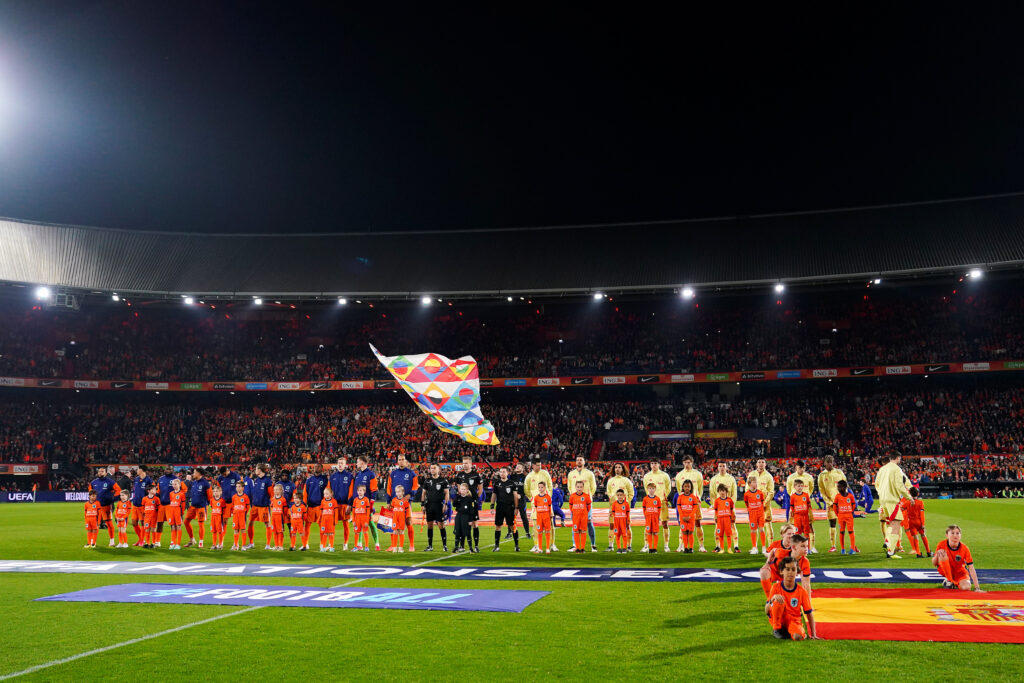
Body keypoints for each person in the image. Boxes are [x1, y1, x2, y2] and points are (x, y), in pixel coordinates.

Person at [765, 556, 819, 640]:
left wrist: (813, 634)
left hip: (794, 620)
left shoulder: (802, 591)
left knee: (798, 637)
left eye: (793, 569)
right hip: (779, 619)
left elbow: (809, 613)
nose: (790, 572)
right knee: (777, 601)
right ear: (781, 571)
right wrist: (772, 599)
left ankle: (791, 631)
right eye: (787, 569)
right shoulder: (775, 587)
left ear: (797, 572)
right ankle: (777, 629)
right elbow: (766, 610)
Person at [876, 451, 911, 559]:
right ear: (897, 458)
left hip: (883, 500)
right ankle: (891, 551)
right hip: (892, 500)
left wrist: (882, 495)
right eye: (899, 459)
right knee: (896, 523)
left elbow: (877, 484)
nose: (900, 461)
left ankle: (887, 541)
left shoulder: (882, 469)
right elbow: (900, 486)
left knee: (889, 522)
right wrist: (909, 497)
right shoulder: (896, 469)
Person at [760, 524, 812, 597]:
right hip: (777, 569)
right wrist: (768, 563)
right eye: (789, 534)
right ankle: (770, 599)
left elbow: (806, 583)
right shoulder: (778, 547)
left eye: (793, 533)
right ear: (782, 534)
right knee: (764, 572)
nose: (791, 535)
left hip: (787, 570)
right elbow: (770, 551)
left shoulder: (799, 551)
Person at [933, 525, 983, 591]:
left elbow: (971, 567)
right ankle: (949, 580)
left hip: (960, 572)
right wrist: (937, 555)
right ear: (947, 535)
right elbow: (934, 563)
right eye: (952, 533)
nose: (955, 535)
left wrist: (977, 588)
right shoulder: (941, 544)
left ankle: (954, 583)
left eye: (957, 533)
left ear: (960, 535)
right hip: (945, 570)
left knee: (966, 588)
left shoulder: (964, 548)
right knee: (942, 554)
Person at [387, 455, 418, 551]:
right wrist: (388, 501)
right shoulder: (393, 474)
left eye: (403, 460)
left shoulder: (411, 473)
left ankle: (411, 545)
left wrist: (411, 495)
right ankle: (393, 545)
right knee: (394, 524)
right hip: (394, 503)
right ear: (397, 461)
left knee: (408, 522)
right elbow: (389, 487)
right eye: (399, 460)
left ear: (406, 461)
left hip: (406, 502)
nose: (401, 461)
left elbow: (415, 486)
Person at [567, 456, 598, 552]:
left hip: (586, 503)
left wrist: (587, 498)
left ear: (584, 462)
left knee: (589, 523)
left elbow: (593, 487)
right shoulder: (571, 474)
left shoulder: (589, 473)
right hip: (575, 503)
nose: (579, 461)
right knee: (575, 523)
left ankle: (593, 544)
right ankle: (575, 545)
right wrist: (575, 497)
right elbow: (569, 487)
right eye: (577, 460)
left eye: (581, 460)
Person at [817, 455, 847, 553]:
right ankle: (833, 545)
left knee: (846, 524)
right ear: (824, 463)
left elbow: (845, 486)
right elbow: (822, 491)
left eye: (831, 462)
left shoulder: (839, 472)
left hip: (842, 503)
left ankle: (848, 545)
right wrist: (829, 502)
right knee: (832, 523)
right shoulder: (821, 475)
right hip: (830, 504)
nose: (830, 464)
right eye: (828, 462)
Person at [785, 461, 817, 552]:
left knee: (810, 526)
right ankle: (794, 546)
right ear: (796, 468)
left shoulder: (809, 477)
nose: (802, 469)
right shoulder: (791, 477)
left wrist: (804, 497)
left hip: (806, 505)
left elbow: (811, 488)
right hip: (795, 506)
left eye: (803, 468)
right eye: (800, 468)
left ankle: (811, 547)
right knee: (792, 527)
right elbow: (788, 490)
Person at [708, 462, 740, 552]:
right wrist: (716, 506)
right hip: (719, 508)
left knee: (733, 525)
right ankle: (718, 546)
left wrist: (731, 505)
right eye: (720, 466)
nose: (722, 468)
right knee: (717, 527)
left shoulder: (731, 479)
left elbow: (734, 493)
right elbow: (712, 494)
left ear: (726, 467)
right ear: (717, 468)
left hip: (729, 507)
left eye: (723, 466)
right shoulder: (714, 479)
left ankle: (736, 546)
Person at [524, 461, 555, 551]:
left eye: (540, 465)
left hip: (546, 502)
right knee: (535, 524)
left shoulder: (545, 473)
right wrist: (532, 498)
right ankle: (536, 545)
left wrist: (548, 497)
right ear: (533, 465)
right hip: (536, 503)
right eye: (537, 465)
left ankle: (552, 544)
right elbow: (526, 489)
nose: (539, 467)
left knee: (551, 523)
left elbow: (550, 485)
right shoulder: (529, 476)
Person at [642, 460, 672, 552]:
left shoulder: (665, 475)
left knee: (665, 523)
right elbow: (645, 488)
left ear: (659, 464)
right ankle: (646, 545)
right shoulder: (647, 476)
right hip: (650, 502)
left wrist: (663, 497)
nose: (654, 465)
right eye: (652, 463)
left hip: (662, 502)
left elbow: (668, 488)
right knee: (648, 524)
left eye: (655, 463)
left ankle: (666, 545)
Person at [421, 463, 450, 552]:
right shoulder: (427, 481)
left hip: (439, 505)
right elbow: (423, 493)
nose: (432, 470)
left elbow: (447, 493)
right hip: (429, 505)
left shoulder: (443, 481)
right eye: (431, 468)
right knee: (429, 525)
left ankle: (445, 545)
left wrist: (445, 504)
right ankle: (430, 546)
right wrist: (422, 505)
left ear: (438, 470)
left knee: (441, 525)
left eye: (434, 468)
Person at [354, 457, 381, 550]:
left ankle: (377, 543)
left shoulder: (371, 474)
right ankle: (360, 544)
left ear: (362, 463)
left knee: (370, 523)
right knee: (359, 524)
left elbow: (374, 490)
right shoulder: (357, 475)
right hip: (358, 505)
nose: (356, 463)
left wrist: (371, 505)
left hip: (367, 505)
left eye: (357, 462)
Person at [490, 467, 520, 552]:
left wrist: (516, 507)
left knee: (512, 526)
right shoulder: (496, 483)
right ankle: (497, 546)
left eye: (504, 472)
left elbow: (515, 496)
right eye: (501, 472)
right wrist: (492, 506)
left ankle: (516, 546)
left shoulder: (512, 483)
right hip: (500, 507)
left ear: (507, 473)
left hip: (510, 507)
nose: (502, 473)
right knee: (498, 526)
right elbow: (493, 495)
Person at [746, 458, 776, 545]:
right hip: (753, 505)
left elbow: (771, 492)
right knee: (754, 526)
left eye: (763, 462)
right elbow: (747, 490)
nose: (761, 464)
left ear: (765, 464)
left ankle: (771, 546)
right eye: (759, 462)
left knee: (768, 525)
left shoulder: (769, 476)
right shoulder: (751, 474)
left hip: (765, 506)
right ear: (756, 464)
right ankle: (754, 546)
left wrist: (764, 503)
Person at [89, 467, 121, 547]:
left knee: (109, 524)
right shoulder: (93, 482)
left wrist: (113, 499)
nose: (100, 473)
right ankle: (93, 541)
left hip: (106, 506)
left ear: (106, 473)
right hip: (96, 507)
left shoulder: (110, 481)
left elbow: (118, 490)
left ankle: (112, 541)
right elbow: (90, 492)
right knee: (95, 524)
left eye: (102, 471)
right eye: (99, 471)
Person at [606, 462, 635, 550]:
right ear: (614, 469)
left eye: (619, 467)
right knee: (612, 525)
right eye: (616, 467)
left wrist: (626, 503)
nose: (617, 469)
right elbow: (609, 493)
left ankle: (629, 546)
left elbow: (631, 493)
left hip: (624, 508)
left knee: (627, 526)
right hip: (613, 507)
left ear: (622, 469)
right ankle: (611, 546)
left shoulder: (626, 480)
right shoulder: (610, 481)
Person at [327, 458, 354, 550]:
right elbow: (328, 491)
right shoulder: (332, 476)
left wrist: (349, 504)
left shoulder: (349, 476)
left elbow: (351, 491)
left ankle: (345, 544)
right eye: (339, 463)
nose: (340, 465)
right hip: (334, 505)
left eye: (342, 463)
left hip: (345, 505)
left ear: (345, 464)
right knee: (331, 525)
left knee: (346, 525)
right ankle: (331, 544)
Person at [183, 468, 211, 548]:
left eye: (194, 472)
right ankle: (192, 540)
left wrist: (206, 505)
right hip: (193, 506)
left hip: (201, 507)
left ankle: (201, 542)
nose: (193, 474)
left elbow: (210, 496)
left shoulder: (206, 484)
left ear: (199, 474)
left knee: (201, 524)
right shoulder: (194, 483)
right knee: (186, 522)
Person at [302, 464, 328, 551]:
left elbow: (327, 493)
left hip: (320, 507)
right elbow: (305, 494)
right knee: (307, 526)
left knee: (322, 526)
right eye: (315, 467)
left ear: (322, 469)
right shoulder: (309, 480)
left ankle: (322, 545)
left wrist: (325, 505)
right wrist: (303, 505)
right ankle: (305, 544)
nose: (316, 468)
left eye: (318, 466)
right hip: (310, 507)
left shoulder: (325, 479)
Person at [247, 464, 273, 550]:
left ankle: (268, 545)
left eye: (256, 469)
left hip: (264, 506)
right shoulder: (257, 480)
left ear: (260, 470)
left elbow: (271, 495)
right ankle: (251, 543)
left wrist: (271, 504)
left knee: (267, 524)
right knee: (250, 523)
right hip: (255, 506)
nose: (255, 470)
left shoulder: (268, 481)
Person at [900, 487, 931, 558]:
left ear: (910, 494)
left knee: (915, 537)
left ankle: (918, 553)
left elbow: (901, 508)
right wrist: (923, 524)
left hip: (911, 522)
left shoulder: (907, 502)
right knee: (923, 535)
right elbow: (922, 514)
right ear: (918, 494)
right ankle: (928, 552)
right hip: (919, 521)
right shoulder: (920, 503)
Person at [743, 477, 767, 554]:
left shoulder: (760, 493)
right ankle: (754, 548)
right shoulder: (746, 494)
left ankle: (763, 547)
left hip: (760, 513)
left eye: (756, 482)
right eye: (753, 482)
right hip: (752, 514)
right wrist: (751, 510)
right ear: (749, 484)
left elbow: (762, 502)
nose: (755, 484)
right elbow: (746, 503)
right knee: (753, 530)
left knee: (761, 529)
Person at [675, 479, 701, 553]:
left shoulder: (693, 497)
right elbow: (679, 507)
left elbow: (695, 507)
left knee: (690, 532)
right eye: (685, 486)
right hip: (683, 518)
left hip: (691, 518)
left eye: (688, 487)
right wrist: (682, 516)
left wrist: (690, 516)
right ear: (683, 487)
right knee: (684, 532)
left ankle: (691, 548)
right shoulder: (680, 497)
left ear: (691, 488)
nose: (687, 488)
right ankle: (685, 548)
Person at [834, 479, 859, 554]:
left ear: (845, 487)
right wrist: (838, 514)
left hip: (849, 516)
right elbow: (834, 506)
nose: (838, 489)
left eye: (840, 487)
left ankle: (852, 549)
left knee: (851, 532)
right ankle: (842, 549)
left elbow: (854, 504)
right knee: (841, 532)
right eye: (838, 487)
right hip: (841, 516)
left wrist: (851, 511)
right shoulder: (837, 496)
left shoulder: (850, 496)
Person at [130, 467, 153, 547]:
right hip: (135, 504)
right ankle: (141, 539)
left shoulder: (148, 480)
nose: (136, 471)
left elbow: (153, 491)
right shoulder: (136, 479)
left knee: (143, 523)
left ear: (142, 470)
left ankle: (142, 540)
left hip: (143, 506)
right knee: (134, 523)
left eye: (138, 469)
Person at [569, 480, 593, 554]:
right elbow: (570, 505)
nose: (579, 488)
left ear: (583, 488)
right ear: (575, 487)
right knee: (576, 531)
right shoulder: (572, 496)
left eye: (581, 487)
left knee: (583, 531)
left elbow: (589, 506)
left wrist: (585, 512)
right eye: (578, 487)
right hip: (576, 516)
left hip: (583, 517)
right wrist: (574, 512)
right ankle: (577, 548)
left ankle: (582, 548)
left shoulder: (586, 496)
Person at [454, 482, 478, 553]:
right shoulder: (458, 497)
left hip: (466, 517)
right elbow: (454, 504)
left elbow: (471, 511)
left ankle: (470, 548)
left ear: (467, 490)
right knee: (457, 532)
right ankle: (456, 547)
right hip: (459, 516)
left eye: (464, 489)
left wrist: (470, 520)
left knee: (467, 532)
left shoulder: (469, 499)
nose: (462, 491)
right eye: (461, 489)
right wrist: (457, 496)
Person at [712, 483, 736, 553]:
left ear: (726, 491)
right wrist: (717, 517)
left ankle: (729, 548)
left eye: (723, 491)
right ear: (718, 492)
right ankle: (722, 548)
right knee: (721, 534)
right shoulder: (717, 501)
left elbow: (731, 509)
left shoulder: (729, 500)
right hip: (720, 519)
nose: (722, 492)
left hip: (727, 519)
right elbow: (716, 510)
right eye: (720, 491)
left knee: (728, 534)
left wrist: (731, 518)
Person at [531, 481, 554, 554]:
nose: (540, 489)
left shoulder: (548, 497)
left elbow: (550, 507)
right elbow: (536, 506)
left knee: (547, 531)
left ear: (545, 488)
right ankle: (540, 548)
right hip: (539, 516)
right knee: (539, 532)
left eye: (542, 487)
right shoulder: (536, 497)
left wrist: (550, 515)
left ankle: (547, 548)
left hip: (546, 516)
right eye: (539, 487)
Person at [510, 462, 531, 540]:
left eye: (519, 467)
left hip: (521, 499)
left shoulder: (525, 477)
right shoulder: (512, 476)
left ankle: (527, 532)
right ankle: (510, 533)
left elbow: (527, 489)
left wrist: (521, 495)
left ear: (522, 469)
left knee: (523, 516)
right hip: (512, 499)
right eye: (517, 466)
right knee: (511, 516)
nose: (517, 467)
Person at [351, 484, 373, 551]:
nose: (359, 492)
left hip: (364, 519)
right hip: (357, 519)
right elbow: (353, 511)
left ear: (364, 492)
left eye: (361, 490)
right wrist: (353, 520)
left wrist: (367, 521)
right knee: (356, 532)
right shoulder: (355, 500)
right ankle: (356, 546)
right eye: (358, 490)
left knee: (365, 532)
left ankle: (366, 546)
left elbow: (368, 511)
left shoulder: (366, 500)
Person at [642, 482, 662, 554]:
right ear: (647, 489)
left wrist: (657, 516)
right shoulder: (645, 499)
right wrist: (646, 515)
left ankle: (655, 548)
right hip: (648, 518)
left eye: (653, 488)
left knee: (655, 532)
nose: (651, 490)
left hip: (655, 518)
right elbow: (644, 508)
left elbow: (659, 509)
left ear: (655, 489)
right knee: (649, 532)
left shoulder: (657, 499)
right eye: (650, 488)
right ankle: (650, 548)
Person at [166, 478, 187, 550]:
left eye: (175, 484)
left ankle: (178, 544)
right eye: (173, 484)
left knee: (178, 526)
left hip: (178, 512)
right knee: (173, 527)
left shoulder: (182, 494)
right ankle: (173, 543)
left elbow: (183, 504)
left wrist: (182, 512)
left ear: (179, 485)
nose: (174, 486)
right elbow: (171, 502)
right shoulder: (171, 493)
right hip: (172, 512)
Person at [388, 485, 409, 553]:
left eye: (399, 492)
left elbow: (407, 512)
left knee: (401, 532)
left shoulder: (405, 501)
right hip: (395, 519)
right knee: (395, 532)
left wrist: (406, 521)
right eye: (396, 492)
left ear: (403, 492)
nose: (398, 494)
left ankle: (400, 548)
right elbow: (391, 509)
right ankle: (394, 548)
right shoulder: (394, 500)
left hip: (402, 519)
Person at [230, 481, 250, 551]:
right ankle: (236, 545)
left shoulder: (245, 497)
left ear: (243, 488)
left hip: (242, 515)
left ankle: (243, 545)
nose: (237, 488)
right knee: (235, 529)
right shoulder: (234, 497)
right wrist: (234, 512)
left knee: (243, 530)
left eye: (239, 486)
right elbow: (232, 506)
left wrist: (244, 512)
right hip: (235, 515)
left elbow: (247, 507)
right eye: (236, 487)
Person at [610, 488, 632, 553]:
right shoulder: (614, 504)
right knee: (617, 535)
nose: (620, 496)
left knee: (624, 534)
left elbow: (628, 513)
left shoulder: (626, 504)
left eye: (621, 495)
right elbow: (613, 512)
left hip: (623, 521)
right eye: (618, 495)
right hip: (617, 522)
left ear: (624, 496)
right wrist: (616, 517)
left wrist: (628, 521)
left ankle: (624, 548)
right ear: (617, 496)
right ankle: (619, 548)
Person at [269, 483, 287, 551]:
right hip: (273, 517)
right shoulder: (272, 499)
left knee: (280, 531)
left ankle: (280, 546)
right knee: (274, 531)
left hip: (279, 517)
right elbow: (271, 508)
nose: (275, 491)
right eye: (274, 490)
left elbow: (285, 510)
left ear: (281, 491)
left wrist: (283, 516)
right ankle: (276, 545)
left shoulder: (283, 499)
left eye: (277, 490)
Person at [142, 483, 161, 548]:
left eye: (155, 490)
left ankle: (153, 543)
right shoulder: (144, 499)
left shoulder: (156, 499)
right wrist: (143, 514)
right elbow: (143, 507)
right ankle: (147, 543)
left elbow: (159, 508)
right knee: (147, 529)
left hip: (154, 517)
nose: (155, 491)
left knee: (153, 529)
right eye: (153, 490)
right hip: (147, 517)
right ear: (148, 491)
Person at [321, 486, 339, 552]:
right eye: (324, 494)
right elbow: (321, 511)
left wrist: (336, 520)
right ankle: (323, 547)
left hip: (331, 520)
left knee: (331, 533)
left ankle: (331, 547)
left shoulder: (334, 501)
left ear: (331, 494)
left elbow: (336, 512)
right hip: (324, 521)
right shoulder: (322, 501)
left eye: (326, 494)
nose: (325, 495)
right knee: (325, 533)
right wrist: (319, 519)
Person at [209, 485, 226, 550]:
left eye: (217, 491)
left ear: (220, 492)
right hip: (213, 517)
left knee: (220, 531)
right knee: (214, 531)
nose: (215, 493)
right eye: (214, 491)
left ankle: (220, 544)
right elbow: (212, 507)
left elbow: (224, 510)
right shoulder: (212, 500)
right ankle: (214, 544)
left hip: (219, 518)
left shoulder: (222, 501)